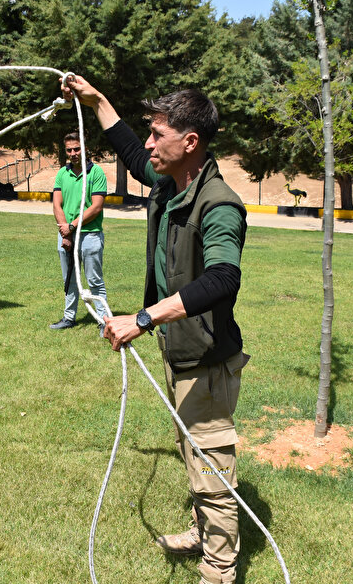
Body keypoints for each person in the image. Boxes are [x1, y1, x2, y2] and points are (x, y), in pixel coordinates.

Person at [64, 76, 249, 584]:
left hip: (206, 360)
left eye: (157, 134)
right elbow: (130, 153)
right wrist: (98, 101)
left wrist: (143, 318)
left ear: (190, 142)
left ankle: (219, 571)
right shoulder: (171, 183)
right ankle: (202, 532)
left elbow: (223, 278)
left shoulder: (219, 203)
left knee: (211, 472)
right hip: (180, 350)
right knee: (193, 454)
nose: (148, 144)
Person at [50, 132, 108, 330]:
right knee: (70, 280)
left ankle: (104, 321)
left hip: (90, 234)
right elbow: (57, 205)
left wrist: (72, 226)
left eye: (77, 149)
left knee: (94, 281)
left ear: (85, 149)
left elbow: (96, 207)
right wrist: (65, 232)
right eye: (69, 150)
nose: (73, 153)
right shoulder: (62, 173)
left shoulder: (96, 173)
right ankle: (69, 318)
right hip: (66, 233)